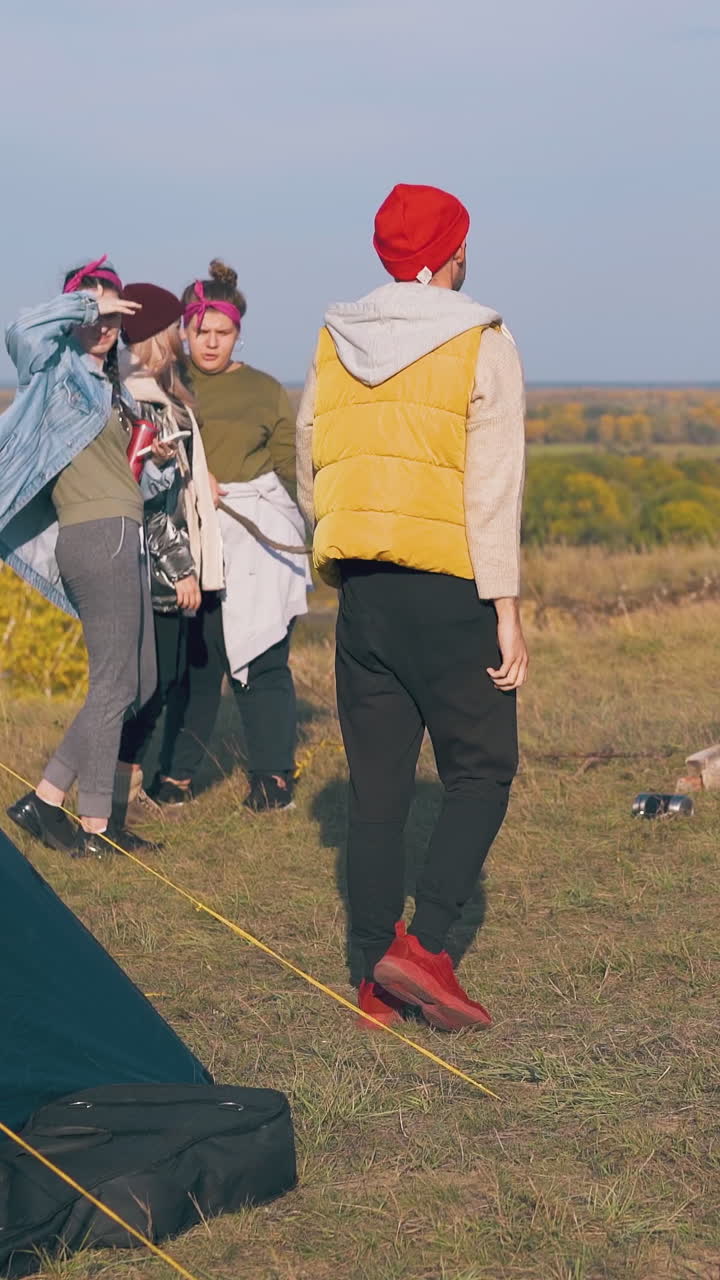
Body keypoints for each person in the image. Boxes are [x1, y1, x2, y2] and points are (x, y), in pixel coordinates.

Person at [296, 184, 528, 1031]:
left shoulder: (334, 337)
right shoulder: (482, 337)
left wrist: (339, 562)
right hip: (451, 587)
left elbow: (311, 457)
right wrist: (505, 603)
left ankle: (371, 979)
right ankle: (425, 947)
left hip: (363, 592)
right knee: (482, 770)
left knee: (377, 792)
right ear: (452, 254)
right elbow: (495, 483)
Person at [0, 258, 158, 857]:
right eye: (99, 306)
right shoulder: (56, 365)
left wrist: (156, 464)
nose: (112, 318)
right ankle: (93, 825)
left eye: (116, 306)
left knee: (134, 679)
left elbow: (120, 479)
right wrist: (91, 305)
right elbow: (20, 330)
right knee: (115, 682)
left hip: (121, 529)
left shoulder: (106, 388)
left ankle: (49, 802)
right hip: (97, 536)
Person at [153, 259, 310, 814]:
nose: (212, 343)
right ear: (185, 331)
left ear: (237, 332)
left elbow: (291, 464)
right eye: (202, 333)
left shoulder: (265, 390)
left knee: (263, 657)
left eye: (223, 333)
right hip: (188, 541)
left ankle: (272, 777)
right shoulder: (166, 385)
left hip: (256, 539)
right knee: (195, 663)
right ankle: (174, 776)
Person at [113, 283, 224, 825]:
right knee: (147, 689)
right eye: (176, 328)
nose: (185, 337)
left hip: (165, 563)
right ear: (155, 335)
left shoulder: (163, 396)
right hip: (154, 568)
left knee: (161, 682)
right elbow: (145, 504)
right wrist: (183, 570)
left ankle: (117, 794)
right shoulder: (138, 405)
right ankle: (113, 795)